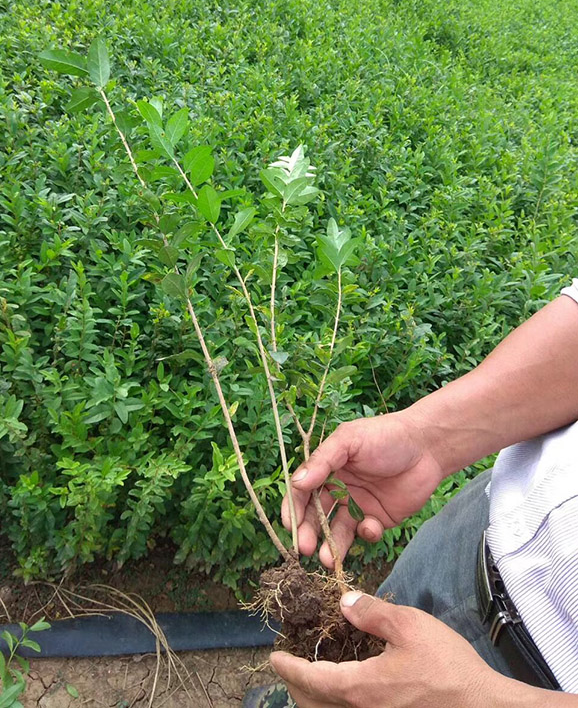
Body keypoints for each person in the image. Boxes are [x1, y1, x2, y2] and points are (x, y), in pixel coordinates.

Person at [242, 281, 578, 707]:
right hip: (486, 521)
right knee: (343, 659)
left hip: (529, 681)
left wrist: (482, 699)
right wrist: (428, 440)